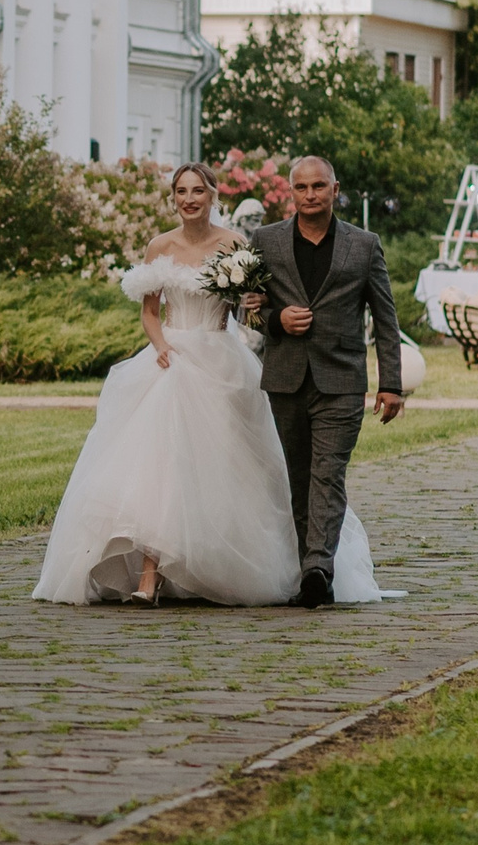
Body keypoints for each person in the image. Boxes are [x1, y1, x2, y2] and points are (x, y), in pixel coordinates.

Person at [32, 162, 388, 608]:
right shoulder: (159, 245)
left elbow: (252, 308)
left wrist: (260, 307)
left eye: (197, 191)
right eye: (181, 192)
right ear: (173, 199)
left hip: (221, 360)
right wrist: (161, 345)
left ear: (212, 196)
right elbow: (149, 311)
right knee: (160, 463)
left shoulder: (237, 244)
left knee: (232, 468)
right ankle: (150, 574)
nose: (189, 199)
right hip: (171, 359)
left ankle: (236, 565)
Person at [250, 156, 407, 609]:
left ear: (335, 190)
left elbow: (385, 317)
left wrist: (391, 383)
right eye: (301, 187)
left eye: (319, 186)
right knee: (298, 477)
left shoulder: (364, 245)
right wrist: (276, 319)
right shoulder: (265, 241)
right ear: (291, 192)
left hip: (341, 379)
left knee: (328, 474)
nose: (310, 194)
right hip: (285, 378)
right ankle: (309, 569)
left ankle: (319, 568)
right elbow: (247, 309)